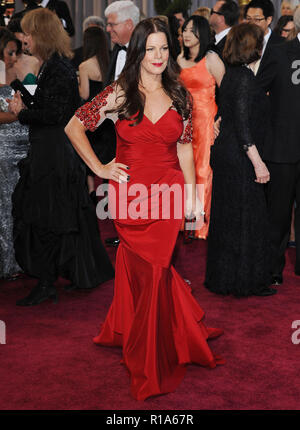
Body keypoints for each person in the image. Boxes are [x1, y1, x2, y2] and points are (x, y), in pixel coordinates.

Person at [65, 17, 224, 401]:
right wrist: (100, 168)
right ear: (138, 51)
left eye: (163, 48)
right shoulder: (120, 93)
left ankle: (151, 356)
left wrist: (192, 200)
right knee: (147, 272)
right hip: (129, 197)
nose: (157, 55)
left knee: (157, 270)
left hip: (168, 194)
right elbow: (73, 126)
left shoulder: (179, 93)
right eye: (150, 48)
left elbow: (185, 150)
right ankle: (164, 331)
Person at [8, 8, 114, 306]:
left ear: (40, 34)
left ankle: (46, 282)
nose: (24, 38)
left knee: (46, 217)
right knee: (56, 216)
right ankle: (67, 275)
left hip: (54, 153)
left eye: (28, 33)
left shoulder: (60, 69)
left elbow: (54, 114)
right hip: (48, 149)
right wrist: (22, 89)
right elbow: (42, 100)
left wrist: (23, 113)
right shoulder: (50, 66)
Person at [205, 23, 277, 297]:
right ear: (253, 47)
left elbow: (227, 114)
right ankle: (246, 282)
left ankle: (224, 278)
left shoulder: (233, 75)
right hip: (239, 157)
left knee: (228, 219)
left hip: (225, 154)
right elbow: (245, 128)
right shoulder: (245, 78)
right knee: (248, 219)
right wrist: (258, 163)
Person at [255, 7, 300, 286]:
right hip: (283, 148)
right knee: (279, 213)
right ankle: (272, 267)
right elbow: (258, 92)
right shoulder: (280, 52)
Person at [178, 15, 225, 239]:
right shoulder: (177, 59)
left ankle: (201, 225)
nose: (186, 34)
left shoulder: (211, 59)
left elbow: (228, 92)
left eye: (191, 30)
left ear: (202, 33)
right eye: (184, 30)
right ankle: (184, 219)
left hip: (206, 121)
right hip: (182, 121)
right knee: (183, 171)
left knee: (203, 171)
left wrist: (221, 119)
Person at [103, 0, 140, 247]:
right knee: (119, 181)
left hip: (139, 130)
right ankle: (124, 228)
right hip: (116, 129)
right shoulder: (117, 50)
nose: (108, 29)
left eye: (112, 24)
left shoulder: (149, 51)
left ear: (129, 24)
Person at [0, 28, 29, 280]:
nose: (13, 58)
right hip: (3, 155)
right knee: (6, 209)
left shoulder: (10, 77)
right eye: (10, 53)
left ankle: (14, 260)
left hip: (18, 154)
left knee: (13, 208)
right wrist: (18, 113)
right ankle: (7, 263)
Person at [78, 26, 110, 203]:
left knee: (89, 150)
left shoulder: (84, 66)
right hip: (108, 115)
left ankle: (91, 190)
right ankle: (107, 188)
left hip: (92, 116)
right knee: (106, 152)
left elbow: (84, 94)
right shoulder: (108, 61)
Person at [244, 0, 284, 76]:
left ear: (269, 20)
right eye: (248, 19)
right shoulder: (239, 42)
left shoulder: (282, 44)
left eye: (257, 20)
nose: (252, 24)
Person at [7, 17, 40, 84]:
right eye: (18, 43)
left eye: (25, 43)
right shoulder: (3, 62)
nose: (22, 48)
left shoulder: (35, 62)